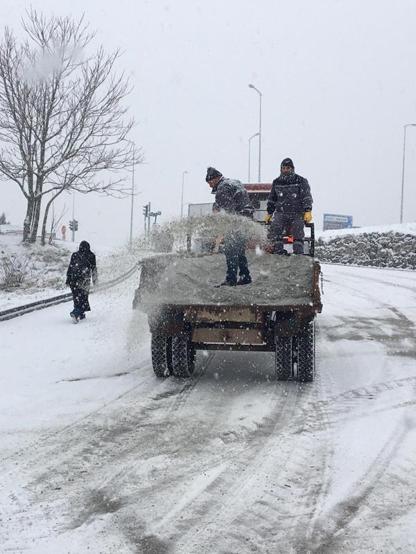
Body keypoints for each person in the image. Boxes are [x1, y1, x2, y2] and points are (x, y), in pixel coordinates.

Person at [206, 166, 254, 286]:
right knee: (239, 249)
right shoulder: (234, 183)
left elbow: (228, 212)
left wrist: (222, 222)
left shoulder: (222, 188)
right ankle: (245, 276)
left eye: (210, 182)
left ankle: (231, 279)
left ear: (216, 178)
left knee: (230, 249)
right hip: (246, 218)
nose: (210, 185)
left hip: (236, 221)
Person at [264, 158, 313, 255]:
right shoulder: (276, 182)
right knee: (275, 227)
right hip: (281, 212)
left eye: (288, 168)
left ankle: (298, 253)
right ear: (281, 169)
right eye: (284, 168)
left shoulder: (301, 181)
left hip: (297, 212)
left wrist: (308, 210)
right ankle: (278, 251)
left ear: (292, 169)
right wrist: (269, 213)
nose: (286, 170)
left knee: (298, 229)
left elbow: (306, 196)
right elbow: (272, 199)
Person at [66, 240, 98, 323]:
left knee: (76, 297)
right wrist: (95, 282)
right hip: (84, 280)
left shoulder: (75, 255)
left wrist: (68, 279)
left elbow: (70, 267)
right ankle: (76, 313)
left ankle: (81, 314)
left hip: (73, 280)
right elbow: (94, 269)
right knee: (83, 298)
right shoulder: (91, 255)